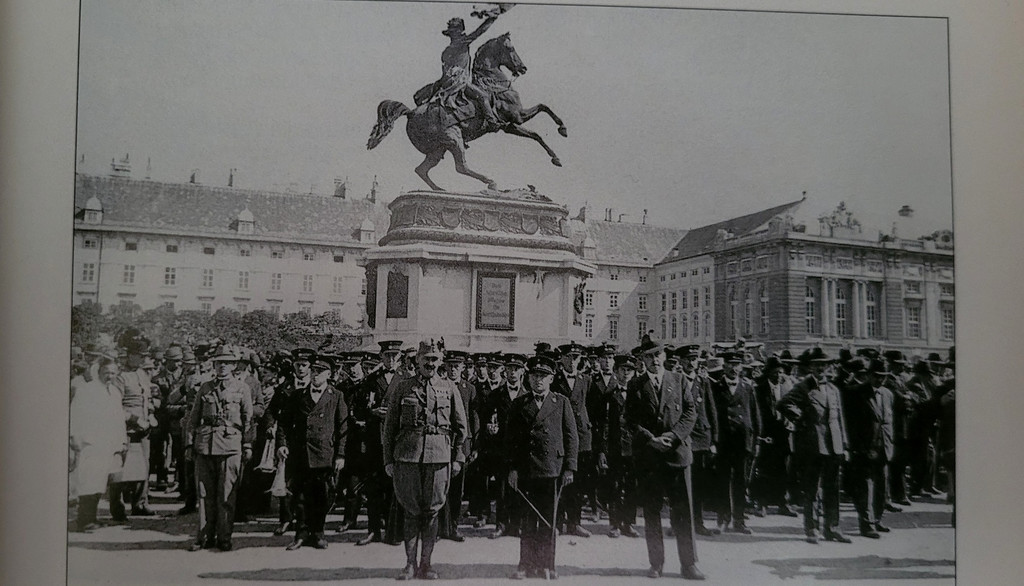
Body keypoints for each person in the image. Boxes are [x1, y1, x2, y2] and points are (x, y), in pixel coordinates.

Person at [383, 340, 468, 580]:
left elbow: (462, 428)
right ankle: (409, 564)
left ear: (440, 361)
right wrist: (388, 459)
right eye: (426, 359)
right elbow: (389, 427)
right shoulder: (402, 387)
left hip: (439, 457)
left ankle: (426, 564)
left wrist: (458, 457)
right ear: (417, 361)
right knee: (410, 511)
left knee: (432, 512)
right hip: (408, 457)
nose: (430, 364)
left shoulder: (449, 388)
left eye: (434, 359)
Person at [625, 337, 704, 581]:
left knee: (683, 511)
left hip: (677, 454)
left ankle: (689, 564)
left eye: (657, 355)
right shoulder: (635, 385)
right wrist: (651, 439)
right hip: (650, 457)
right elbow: (630, 420)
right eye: (649, 356)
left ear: (664, 356)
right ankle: (656, 563)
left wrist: (672, 436)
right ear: (642, 360)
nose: (654, 360)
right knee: (652, 511)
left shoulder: (678, 380)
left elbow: (691, 413)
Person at [505, 355, 578, 580]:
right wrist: (512, 469)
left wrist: (569, 468)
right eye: (535, 375)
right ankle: (525, 564)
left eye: (543, 376)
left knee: (549, 519)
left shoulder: (561, 402)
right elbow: (511, 441)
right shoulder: (519, 404)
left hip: (552, 470)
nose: (539, 380)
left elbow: (571, 437)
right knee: (527, 520)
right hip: (527, 470)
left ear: (551, 379)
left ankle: (548, 564)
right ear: (528, 378)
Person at [777, 347, 850, 544]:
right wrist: (801, 418)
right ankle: (812, 528)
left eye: (824, 365)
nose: (820, 368)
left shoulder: (833, 389)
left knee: (833, 488)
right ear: (810, 367)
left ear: (828, 367)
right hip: (813, 445)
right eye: (817, 365)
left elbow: (839, 419)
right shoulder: (803, 387)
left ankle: (832, 528)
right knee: (812, 489)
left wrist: (844, 446)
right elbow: (783, 403)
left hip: (834, 445)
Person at [276, 353, 349, 550]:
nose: (315, 374)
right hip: (300, 454)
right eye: (314, 370)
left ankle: (318, 534)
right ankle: (300, 534)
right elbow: (283, 423)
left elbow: (343, 429)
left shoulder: (336, 396)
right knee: (299, 496)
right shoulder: (297, 395)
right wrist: (282, 444)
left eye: (320, 371)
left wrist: (340, 455)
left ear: (329, 374)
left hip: (324, 455)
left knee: (321, 497)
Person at [185, 346, 253, 551]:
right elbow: (193, 418)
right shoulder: (205, 387)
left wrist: (248, 444)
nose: (222, 366)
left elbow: (248, 420)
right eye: (218, 362)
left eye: (227, 363)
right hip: (205, 446)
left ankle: (224, 537)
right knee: (205, 494)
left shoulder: (242, 389)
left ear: (234, 366)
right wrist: (189, 444)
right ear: (214, 365)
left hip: (231, 446)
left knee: (226, 495)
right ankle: (204, 537)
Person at [70, 354, 129, 531]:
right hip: (92, 443)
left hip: (110, 445)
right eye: (106, 372)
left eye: (112, 373)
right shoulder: (87, 390)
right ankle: (84, 520)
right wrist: (74, 438)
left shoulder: (114, 392)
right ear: (98, 372)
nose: (109, 376)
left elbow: (119, 419)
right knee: (89, 482)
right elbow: (75, 415)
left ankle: (92, 518)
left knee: (101, 482)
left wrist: (122, 442)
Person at [355, 340, 403, 546]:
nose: (391, 360)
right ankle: (373, 530)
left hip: (397, 441)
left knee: (395, 488)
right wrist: (371, 412)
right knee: (374, 487)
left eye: (394, 356)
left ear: (399, 357)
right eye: (387, 356)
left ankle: (394, 531)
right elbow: (357, 407)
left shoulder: (407, 379)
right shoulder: (371, 380)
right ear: (381, 357)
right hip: (376, 440)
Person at [416, 14, 502, 128]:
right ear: (459, 32)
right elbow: (479, 31)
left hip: (446, 83)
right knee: (484, 97)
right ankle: (492, 122)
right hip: (460, 83)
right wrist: (492, 18)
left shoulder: (446, 51)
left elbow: (445, 73)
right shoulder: (462, 43)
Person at [477, 353, 527, 539]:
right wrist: (490, 426)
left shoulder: (528, 393)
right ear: (504, 371)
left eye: (516, 369)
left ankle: (517, 524)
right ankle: (501, 524)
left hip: (522, 450)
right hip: (501, 448)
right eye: (509, 369)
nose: (512, 373)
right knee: (502, 488)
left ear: (522, 371)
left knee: (520, 488)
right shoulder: (496, 394)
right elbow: (485, 416)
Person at [845, 358, 895, 538]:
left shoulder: (888, 394)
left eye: (884, 376)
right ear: (868, 375)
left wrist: (890, 444)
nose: (880, 380)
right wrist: (856, 447)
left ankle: (877, 519)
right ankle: (866, 524)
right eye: (876, 376)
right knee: (865, 487)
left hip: (884, 447)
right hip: (864, 449)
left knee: (882, 486)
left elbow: (888, 422)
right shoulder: (855, 393)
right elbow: (850, 424)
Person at [711, 351, 760, 534]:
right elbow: (712, 413)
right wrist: (713, 441)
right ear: (723, 367)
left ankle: (739, 520)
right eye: (730, 364)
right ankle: (722, 519)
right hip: (723, 441)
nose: (733, 368)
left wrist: (756, 440)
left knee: (741, 481)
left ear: (741, 367)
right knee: (722, 480)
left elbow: (755, 415)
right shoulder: (716, 387)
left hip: (742, 441)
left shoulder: (748, 387)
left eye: (737, 364)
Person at [109, 333, 157, 520]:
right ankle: (117, 507)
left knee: (142, 467)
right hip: (126, 429)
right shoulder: (120, 378)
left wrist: (151, 414)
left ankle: (140, 503)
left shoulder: (142, 374)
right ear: (130, 355)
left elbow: (148, 399)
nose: (144, 358)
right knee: (120, 469)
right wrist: (136, 419)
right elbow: (115, 406)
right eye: (140, 355)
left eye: (145, 356)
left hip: (144, 429)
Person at [593, 354, 640, 538]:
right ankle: (614, 523)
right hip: (615, 448)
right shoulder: (608, 395)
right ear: (615, 371)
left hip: (634, 448)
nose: (626, 373)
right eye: (622, 369)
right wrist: (602, 451)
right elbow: (602, 425)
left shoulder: (638, 394)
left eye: (629, 370)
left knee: (631, 486)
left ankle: (628, 522)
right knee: (614, 485)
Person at [676, 345, 719, 536]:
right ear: (682, 362)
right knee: (680, 484)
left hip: (702, 438)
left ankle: (698, 522)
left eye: (694, 359)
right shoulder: (676, 381)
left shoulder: (703, 382)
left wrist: (714, 439)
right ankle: (679, 524)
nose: (691, 363)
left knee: (699, 484)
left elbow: (711, 410)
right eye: (688, 359)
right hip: (683, 438)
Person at [552, 342, 593, 537]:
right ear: (561, 359)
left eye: (576, 358)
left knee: (577, 482)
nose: (572, 361)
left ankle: (575, 522)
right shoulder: (555, 380)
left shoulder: (586, 380)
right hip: (560, 436)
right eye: (568, 357)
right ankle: (557, 522)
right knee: (560, 480)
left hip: (581, 437)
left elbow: (592, 408)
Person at [439, 350, 478, 542]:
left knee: (456, 489)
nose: (453, 369)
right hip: (441, 442)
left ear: (463, 368)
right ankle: (439, 528)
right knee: (439, 487)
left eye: (457, 366)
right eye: (450, 365)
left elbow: (473, 418)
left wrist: (473, 445)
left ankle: (453, 527)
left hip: (461, 444)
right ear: (445, 366)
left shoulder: (469, 389)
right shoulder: (438, 386)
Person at [752, 356, 798, 517]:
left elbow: (793, 408)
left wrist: (791, 422)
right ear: (768, 373)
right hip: (766, 434)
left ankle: (783, 502)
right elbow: (756, 412)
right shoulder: (759, 389)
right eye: (775, 372)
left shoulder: (787, 388)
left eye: (780, 372)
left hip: (783, 433)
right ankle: (761, 503)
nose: (778, 375)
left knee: (784, 469)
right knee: (764, 468)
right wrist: (759, 435)